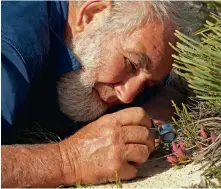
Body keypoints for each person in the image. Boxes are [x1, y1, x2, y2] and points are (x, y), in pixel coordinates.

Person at [1, 1, 197, 187]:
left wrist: (153, 111)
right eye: (131, 64)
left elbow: (172, 87)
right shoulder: (11, 42)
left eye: (147, 84)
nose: (127, 96)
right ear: (91, 15)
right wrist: (68, 160)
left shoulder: (131, 53)